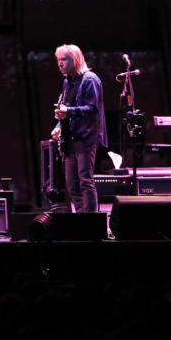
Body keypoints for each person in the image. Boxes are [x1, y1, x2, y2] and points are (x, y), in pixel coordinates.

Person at [51, 44, 107, 213]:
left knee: (85, 181)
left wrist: (68, 111)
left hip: (85, 138)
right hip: (70, 139)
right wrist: (58, 126)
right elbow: (66, 109)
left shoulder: (89, 79)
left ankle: (90, 222)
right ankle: (82, 219)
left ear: (74, 60)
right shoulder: (67, 82)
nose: (60, 64)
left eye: (64, 59)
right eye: (58, 60)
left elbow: (92, 109)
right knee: (72, 184)